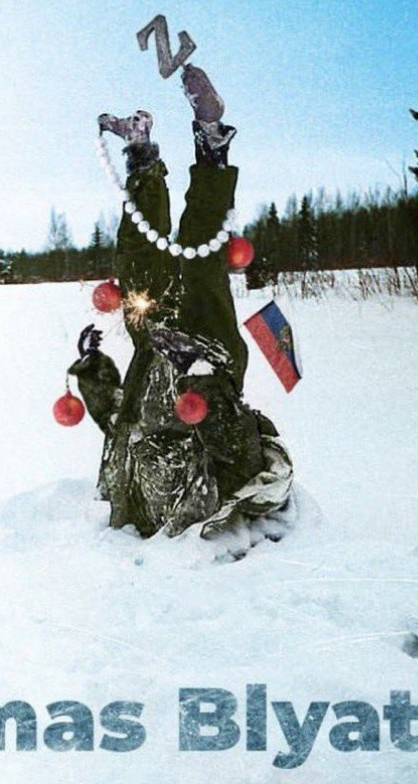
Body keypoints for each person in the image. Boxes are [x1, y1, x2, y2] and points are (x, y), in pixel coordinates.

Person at [68, 66, 293, 539]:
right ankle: (211, 140)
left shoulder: (130, 474)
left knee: (136, 260)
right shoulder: (217, 483)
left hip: (152, 342)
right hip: (208, 352)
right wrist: (201, 375)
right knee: (202, 252)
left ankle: (141, 154)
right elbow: (250, 455)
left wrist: (91, 365)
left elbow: (115, 417)